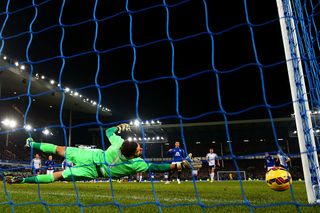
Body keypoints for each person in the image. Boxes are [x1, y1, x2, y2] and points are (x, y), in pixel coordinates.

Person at [6, 123, 195, 184]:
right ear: (132, 154)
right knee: (58, 174)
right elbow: (158, 167)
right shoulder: (137, 164)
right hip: (94, 170)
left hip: (92, 158)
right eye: (139, 148)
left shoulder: (119, 143)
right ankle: (22, 180)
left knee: (58, 151)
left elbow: (108, 132)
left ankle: (32, 145)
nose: (141, 149)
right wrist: (179, 165)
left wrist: (119, 127)